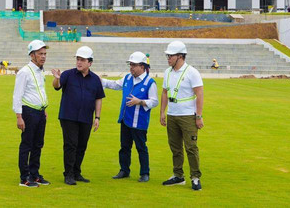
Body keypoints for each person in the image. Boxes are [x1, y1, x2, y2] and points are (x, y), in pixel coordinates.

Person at [51, 46, 105, 185]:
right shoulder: (68, 74)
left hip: (86, 117)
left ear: (90, 63)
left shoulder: (95, 79)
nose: (79, 62)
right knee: (71, 145)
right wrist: (57, 78)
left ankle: (76, 172)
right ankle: (68, 174)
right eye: (78, 59)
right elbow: (56, 86)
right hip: (68, 116)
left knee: (82, 145)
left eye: (82, 60)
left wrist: (97, 117)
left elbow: (98, 98)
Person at [101, 52, 158, 183]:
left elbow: (154, 101)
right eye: (130, 64)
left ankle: (145, 173)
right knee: (124, 147)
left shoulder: (150, 82)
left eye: (134, 65)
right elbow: (115, 84)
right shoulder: (127, 78)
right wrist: (101, 81)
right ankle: (124, 170)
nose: (131, 67)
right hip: (126, 119)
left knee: (141, 147)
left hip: (139, 121)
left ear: (142, 66)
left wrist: (140, 101)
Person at [160, 41, 204, 191]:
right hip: (172, 115)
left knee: (191, 147)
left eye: (170, 56)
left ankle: (195, 177)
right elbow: (165, 92)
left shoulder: (192, 72)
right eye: (168, 55)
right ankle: (178, 175)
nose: (168, 58)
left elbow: (199, 95)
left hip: (187, 116)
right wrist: (162, 112)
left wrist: (198, 116)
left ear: (180, 56)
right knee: (175, 148)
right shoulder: (167, 72)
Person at [12, 40, 51, 187]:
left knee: (38, 145)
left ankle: (35, 174)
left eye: (45, 54)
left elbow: (40, 91)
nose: (43, 57)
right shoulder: (24, 72)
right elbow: (17, 95)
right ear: (32, 55)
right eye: (40, 54)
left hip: (40, 112)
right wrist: (19, 117)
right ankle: (24, 177)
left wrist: (44, 109)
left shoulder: (41, 70)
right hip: (28, 112)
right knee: (27, 144)